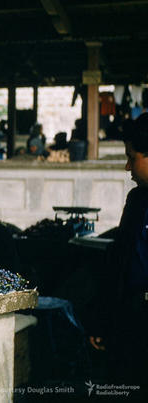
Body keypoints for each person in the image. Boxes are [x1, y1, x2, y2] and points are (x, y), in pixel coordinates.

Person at [88, 113, 148, 394]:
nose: (127, 166)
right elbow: (120, 261)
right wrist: (103, 320)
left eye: (132, 156)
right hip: (132, 319)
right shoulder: (136, 200)